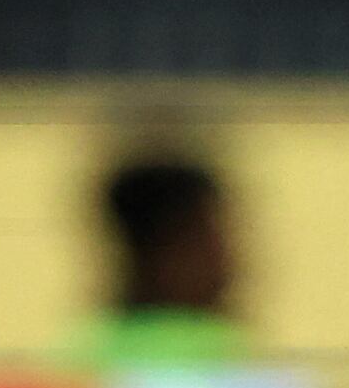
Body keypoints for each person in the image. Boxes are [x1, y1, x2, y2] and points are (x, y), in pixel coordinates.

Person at [72, 144, 248, 375]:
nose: (229, 261)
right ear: (159, 251)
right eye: (209, 240)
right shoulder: (233, 365)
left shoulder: (73, 356)